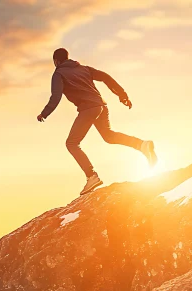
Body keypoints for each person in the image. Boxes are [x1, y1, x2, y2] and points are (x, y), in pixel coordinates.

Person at [37, 48, 157, 196]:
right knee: (109, 136)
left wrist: (44, 113)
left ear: (56, 61)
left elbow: (56, 96)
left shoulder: (58, 74)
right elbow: (106, 77)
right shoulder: (83, 69)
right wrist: (122, 94)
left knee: (72, 143)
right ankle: (141, 145)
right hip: (101, 106)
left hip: (88, 108)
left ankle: (91, 176)